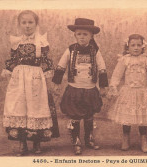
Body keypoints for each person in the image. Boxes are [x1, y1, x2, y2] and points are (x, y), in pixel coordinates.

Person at [1, 10, 59, 156]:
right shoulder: (16, 42)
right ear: (19, 25)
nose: (27, 26)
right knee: (19, 107)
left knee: (36, 106)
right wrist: (10, 72)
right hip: (19, 79)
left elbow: (45, 61)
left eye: (30, 22)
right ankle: (22, 143)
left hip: (36, 80)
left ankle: (36, 142)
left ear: (36, 24)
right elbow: (13, 59)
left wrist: (47, 79)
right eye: (24, 22)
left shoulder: (41, 42)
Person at [52, 18, 108, 155]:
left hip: (90, 89)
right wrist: (57, 83)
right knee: (75, 116)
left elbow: (102, 68)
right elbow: (61, 66)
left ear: (91, 36)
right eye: (79, 34)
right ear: (75, 35)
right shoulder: (70, 50)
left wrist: (103, 86)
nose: (82, 37)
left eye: (85, 34)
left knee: (89, 116)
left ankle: (89, 139)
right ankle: (76, 141)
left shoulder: (95, 51)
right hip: (74, 89)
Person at [107, 34, 147, 153]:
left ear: (143, 46)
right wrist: (114, 86)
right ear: (128, 47)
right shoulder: (124, 59)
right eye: (133, 45)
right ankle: (125, 138)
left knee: (143, 118)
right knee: (127, 117)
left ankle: (143, 139)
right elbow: (117, 74)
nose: (136, 48)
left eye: (139, 45)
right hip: (128, 92)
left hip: (143, 92)